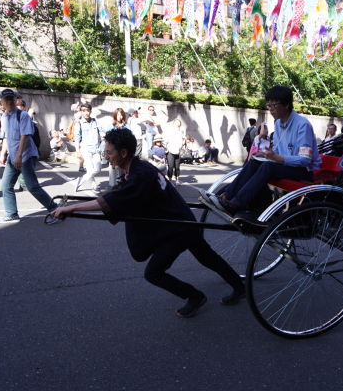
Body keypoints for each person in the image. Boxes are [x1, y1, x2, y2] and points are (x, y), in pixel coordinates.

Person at [51, 127, 245, 318]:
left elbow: (108, 202)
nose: (106, 156)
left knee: (153, 273)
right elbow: (115, 197)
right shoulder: (135, 168)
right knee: (206, 256)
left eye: (109, 152)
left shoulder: (140, 174)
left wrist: (71, 208)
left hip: (178, 228)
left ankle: (195, 296)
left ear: (124, 152)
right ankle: (238, 285)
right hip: (179, 220)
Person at [210, 86, 321, 215]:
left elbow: (305, 159)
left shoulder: (302, 124)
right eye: (269, 106)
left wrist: (276, 158)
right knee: (254, 162)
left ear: (286, 104)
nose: (271, 110)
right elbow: (278, 150)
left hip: (304, 171)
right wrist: (266, 155)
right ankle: (226, 196)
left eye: (274, 105)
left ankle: (236, 203)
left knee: (268, 167)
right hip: (286, 166)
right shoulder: (278, 123)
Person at [0, 89, 59, 224]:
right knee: (6, 186)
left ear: (15, 100)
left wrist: (18, 156)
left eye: (11, 98)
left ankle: (54, 209)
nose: (9, 101)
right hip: (12, 157)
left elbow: (25, 136)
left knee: (32, 186)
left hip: (25, 156)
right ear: (1, 102)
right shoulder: (4, 117)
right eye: (6, 99)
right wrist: (3, 154)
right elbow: (7, 137)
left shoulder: (22, 115)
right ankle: (12, 214)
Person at [74, 103, 103, 193]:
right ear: (81, 112)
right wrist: (77, 151)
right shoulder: (79, 123)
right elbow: (77, 138)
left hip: (96, 149)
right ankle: (94, 186)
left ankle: (80, 181)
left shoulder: (95, 121)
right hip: (86, 150)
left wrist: (103, 136)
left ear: (90, 111)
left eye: (87, 110)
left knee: (98, 169)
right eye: (83, 111)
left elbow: (101, 132)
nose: (86, 112)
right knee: (90, 170)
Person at [108, 108, 128, 188]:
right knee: (113, 170)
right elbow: (108, 139)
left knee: (122, 170)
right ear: (115, 115)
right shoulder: (111, 126)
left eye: (121, 115)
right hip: (113, 152)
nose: (120, 116)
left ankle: (121, 186)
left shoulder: (127, 126)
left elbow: (129, 138)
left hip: (123, 152)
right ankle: (113, 187)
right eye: (118, 114)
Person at [165, 119, 185, 185]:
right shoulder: (169, 132)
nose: (177, 126)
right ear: (173, 125)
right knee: (170, 166)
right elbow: (165, 141)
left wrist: (183, 143)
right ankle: (170, 180)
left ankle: (177, 180)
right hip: (170, 150)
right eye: (176, 125)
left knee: (177, 167)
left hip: (178, 151)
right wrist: (166, 148)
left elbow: (183, 141)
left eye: (178, 125)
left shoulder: (181, 132)